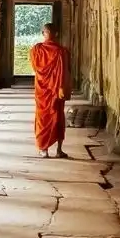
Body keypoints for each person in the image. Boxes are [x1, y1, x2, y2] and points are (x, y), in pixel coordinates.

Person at [29, 23, 72, 158]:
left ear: (43, 34)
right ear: (57, 34)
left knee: (43, 118)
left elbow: (35, 68)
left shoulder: (36, 50)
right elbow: (66, 72)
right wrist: (64, 88)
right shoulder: (62, 52)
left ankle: (44, 149)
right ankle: (59, 150)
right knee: (58, 117)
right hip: (55, 90)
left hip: (42, 90)